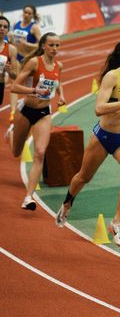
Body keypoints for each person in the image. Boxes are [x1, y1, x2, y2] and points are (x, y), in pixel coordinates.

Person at [55, 38, 120, 247]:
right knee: (83, 177)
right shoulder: (111, 77)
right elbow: (98, 108)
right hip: (103, 137)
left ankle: (116, 223)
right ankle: (68, 202)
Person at [9, 32, 66, 210]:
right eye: (52, 45)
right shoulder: (35, 62)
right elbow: (14, 86)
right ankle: (10, 134)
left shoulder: (59, 65)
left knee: (40, 152)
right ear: (43, 46)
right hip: (26, 110)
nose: (55, 49)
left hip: (44, 112)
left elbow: (58, 82)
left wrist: (61, 95)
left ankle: (28, 197)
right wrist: (34, 91)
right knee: (16, 152)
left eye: (57, 45)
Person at [9, 4, 41, 124]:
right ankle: (13, 111)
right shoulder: (17, 24)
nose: (26, 15)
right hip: (17, 58)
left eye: (29, 13)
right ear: (22, 13)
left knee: (27, 86)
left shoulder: (34, 28)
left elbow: (41, 44)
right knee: (14, 83)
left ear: (32, 15)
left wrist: (27, 45)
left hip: (28, 60)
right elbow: (14, 42)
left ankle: (28, 109)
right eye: (25, 12)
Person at [0, 15, 17, 105]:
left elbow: (14, 76)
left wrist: (9, 71)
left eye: (5, 27)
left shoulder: (11, 49)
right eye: (0, 26)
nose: (2, 29)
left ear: (8, 31)